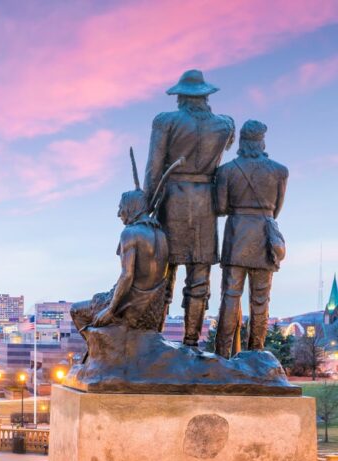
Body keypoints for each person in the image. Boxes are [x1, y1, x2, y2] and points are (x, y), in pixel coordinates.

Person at [144, 69, 235, 346]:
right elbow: (228, 146)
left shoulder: (165, 122)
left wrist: (145, 207)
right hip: (206, 202)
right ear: (206, 96)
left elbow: (154, 167)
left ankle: (154, 339)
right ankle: (191, 341)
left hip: (173, 200)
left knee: (163, 273)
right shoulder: (225, 125)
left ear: (180, 96)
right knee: (199, 277)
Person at [214, 120, 288, 358]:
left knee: (230, 296)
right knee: (261, 299)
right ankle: (256, 352)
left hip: (236, 236)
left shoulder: (226, 171)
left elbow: (221, 207)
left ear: (242, 141)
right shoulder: (280, 171)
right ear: (262, 141)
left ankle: (222, 353)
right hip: (264, 238)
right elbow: (276, 209)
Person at [71, 164, 170, 333]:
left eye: (121, 208)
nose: (119, 213)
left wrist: (110, 310)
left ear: (131, 207)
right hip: (152, 308)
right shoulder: (161, 234)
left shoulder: (130, 233)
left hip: (131, 306)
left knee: (76, 310)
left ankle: (100, 349)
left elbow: (127, 276)